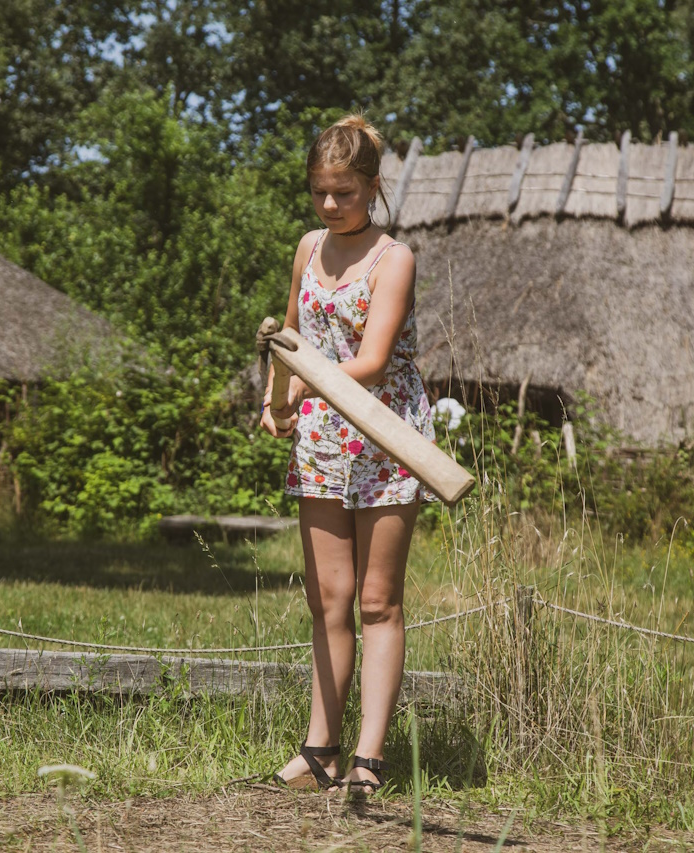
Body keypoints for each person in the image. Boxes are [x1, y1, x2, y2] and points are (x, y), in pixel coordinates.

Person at [260, 114, 436, 794]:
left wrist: (302, 385)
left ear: (372, 186)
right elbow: (292, 340)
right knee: (327, 598)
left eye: (345, 193)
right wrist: (275, 396)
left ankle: (368, 759)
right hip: (323, 440)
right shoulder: (307, 248)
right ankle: (319, 750)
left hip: (385, 436)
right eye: (319, 192)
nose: (331, 206)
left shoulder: (395, 258)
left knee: (376, 599)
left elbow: (372, 358)